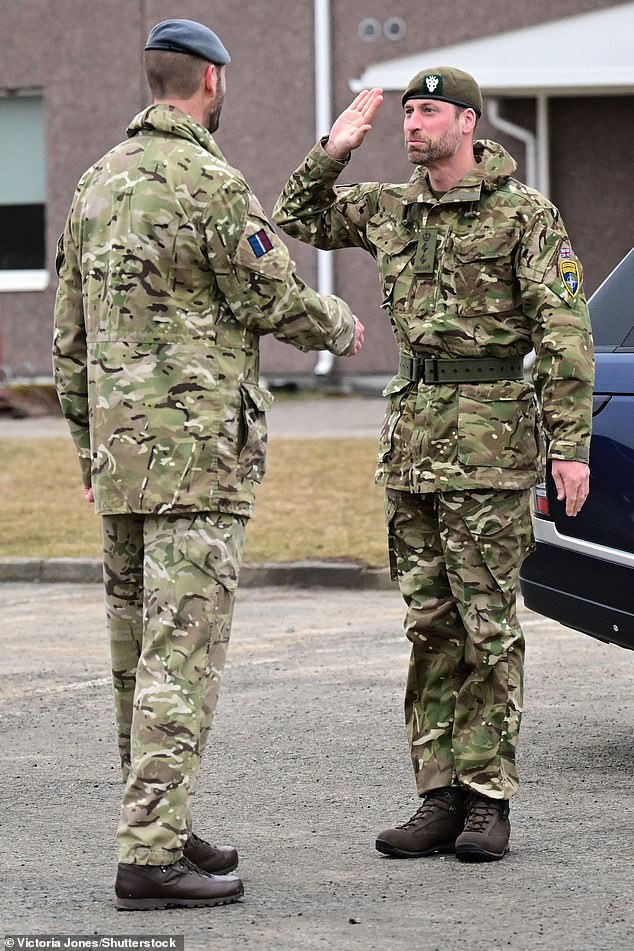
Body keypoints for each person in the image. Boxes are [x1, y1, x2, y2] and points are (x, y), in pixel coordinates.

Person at [53, 18, 364, 910]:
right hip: (197, 464)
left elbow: (66, 339)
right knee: (180, 658)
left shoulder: (94, 184)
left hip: (121, 462)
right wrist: (344, 326)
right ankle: (149, 855)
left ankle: (160, 816)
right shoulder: (213, 183)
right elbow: (271, 296)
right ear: (211, 82)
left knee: (133, 659)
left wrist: (85, 448)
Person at [273, 68, 593, 861]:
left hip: (489, 445)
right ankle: (437, 795)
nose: (411, 124)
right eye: (407, 112)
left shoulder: (524, 215)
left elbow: (563, 332)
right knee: (429, 627)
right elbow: (294, 215)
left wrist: (571, 446)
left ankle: (488, 798)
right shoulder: (390, 206)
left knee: (488, 626)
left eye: (427, 112)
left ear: (468, 123)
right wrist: (334, 148)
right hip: (413, 441)